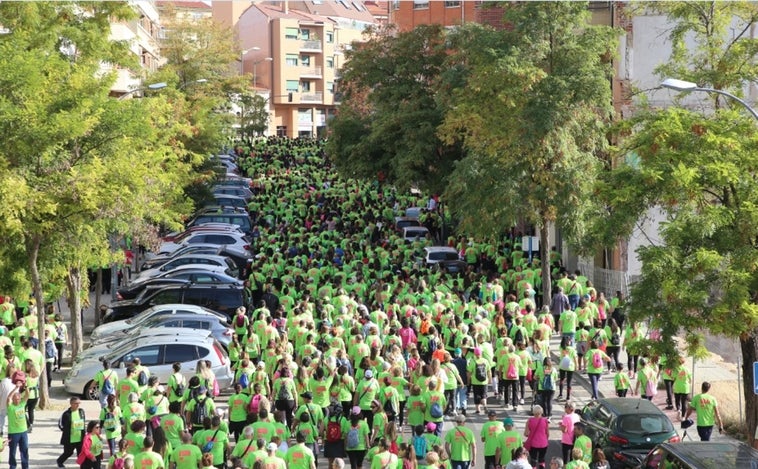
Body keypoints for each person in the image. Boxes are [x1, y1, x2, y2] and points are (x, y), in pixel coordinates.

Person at [57, 396, 86, 469]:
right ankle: (60, 461)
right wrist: (66, 431)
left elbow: (83, 422)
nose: (78, 405)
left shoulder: (81, 411)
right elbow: (60, 424)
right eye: (76, 403)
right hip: (70, 439)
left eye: (79, 403)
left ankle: (82, 466)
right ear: (71, 404)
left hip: (80, 437)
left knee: (81, 454)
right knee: (68, 453)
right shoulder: (66, 414)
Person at [7, 378, 29, 469]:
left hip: (23, 431)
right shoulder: (10, 407)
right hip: (13, 432)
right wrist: (16, 388)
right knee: (12, 451)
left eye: (18, 399)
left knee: (24, 450)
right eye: (15, 399)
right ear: (13, 399)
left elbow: (27, 394)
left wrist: (25, 385)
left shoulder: (22, 404)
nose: (17, 400)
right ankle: (12, 466)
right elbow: (8, 398)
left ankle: (25, 466)